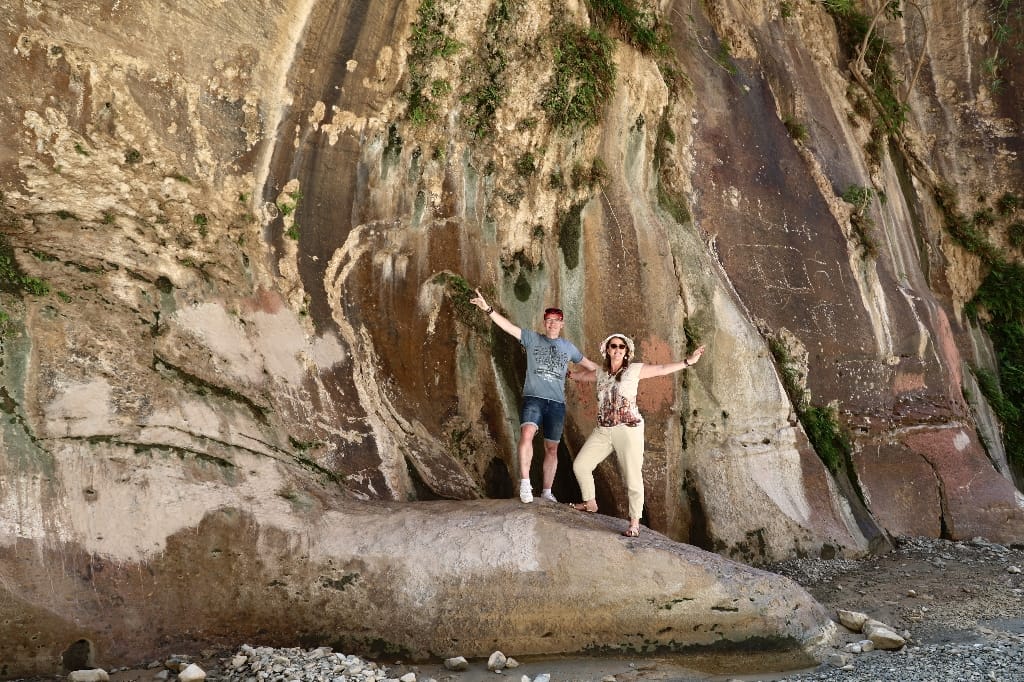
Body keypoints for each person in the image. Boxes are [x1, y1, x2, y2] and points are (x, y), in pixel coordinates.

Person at [469, 288, 599, 503]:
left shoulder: (568, 347)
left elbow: (590, 366)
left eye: (556, 321)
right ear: (544, 323)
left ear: (562, 324)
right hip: (534, 398)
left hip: (556, 403)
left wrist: (615, 373)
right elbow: (508, 327)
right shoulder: (532, 338)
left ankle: (547, 492)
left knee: (552, 448)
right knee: (527, 433)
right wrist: (488, 309)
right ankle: (525, 483)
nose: (552, 324)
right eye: (549, 320)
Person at [569, 333, 705, 537]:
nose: (617, 350)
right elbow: (579, 376)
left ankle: (634, 522)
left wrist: (688, 361)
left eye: (621, 347)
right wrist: (563, 371)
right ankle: (590, 503)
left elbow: (661, 369)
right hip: (603, 430)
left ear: (626, 351)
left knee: (632, 477)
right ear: (607, 350)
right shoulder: (601, 373)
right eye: (613, 346)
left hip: (628, 429)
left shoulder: (633, 370)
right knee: (581, 465)